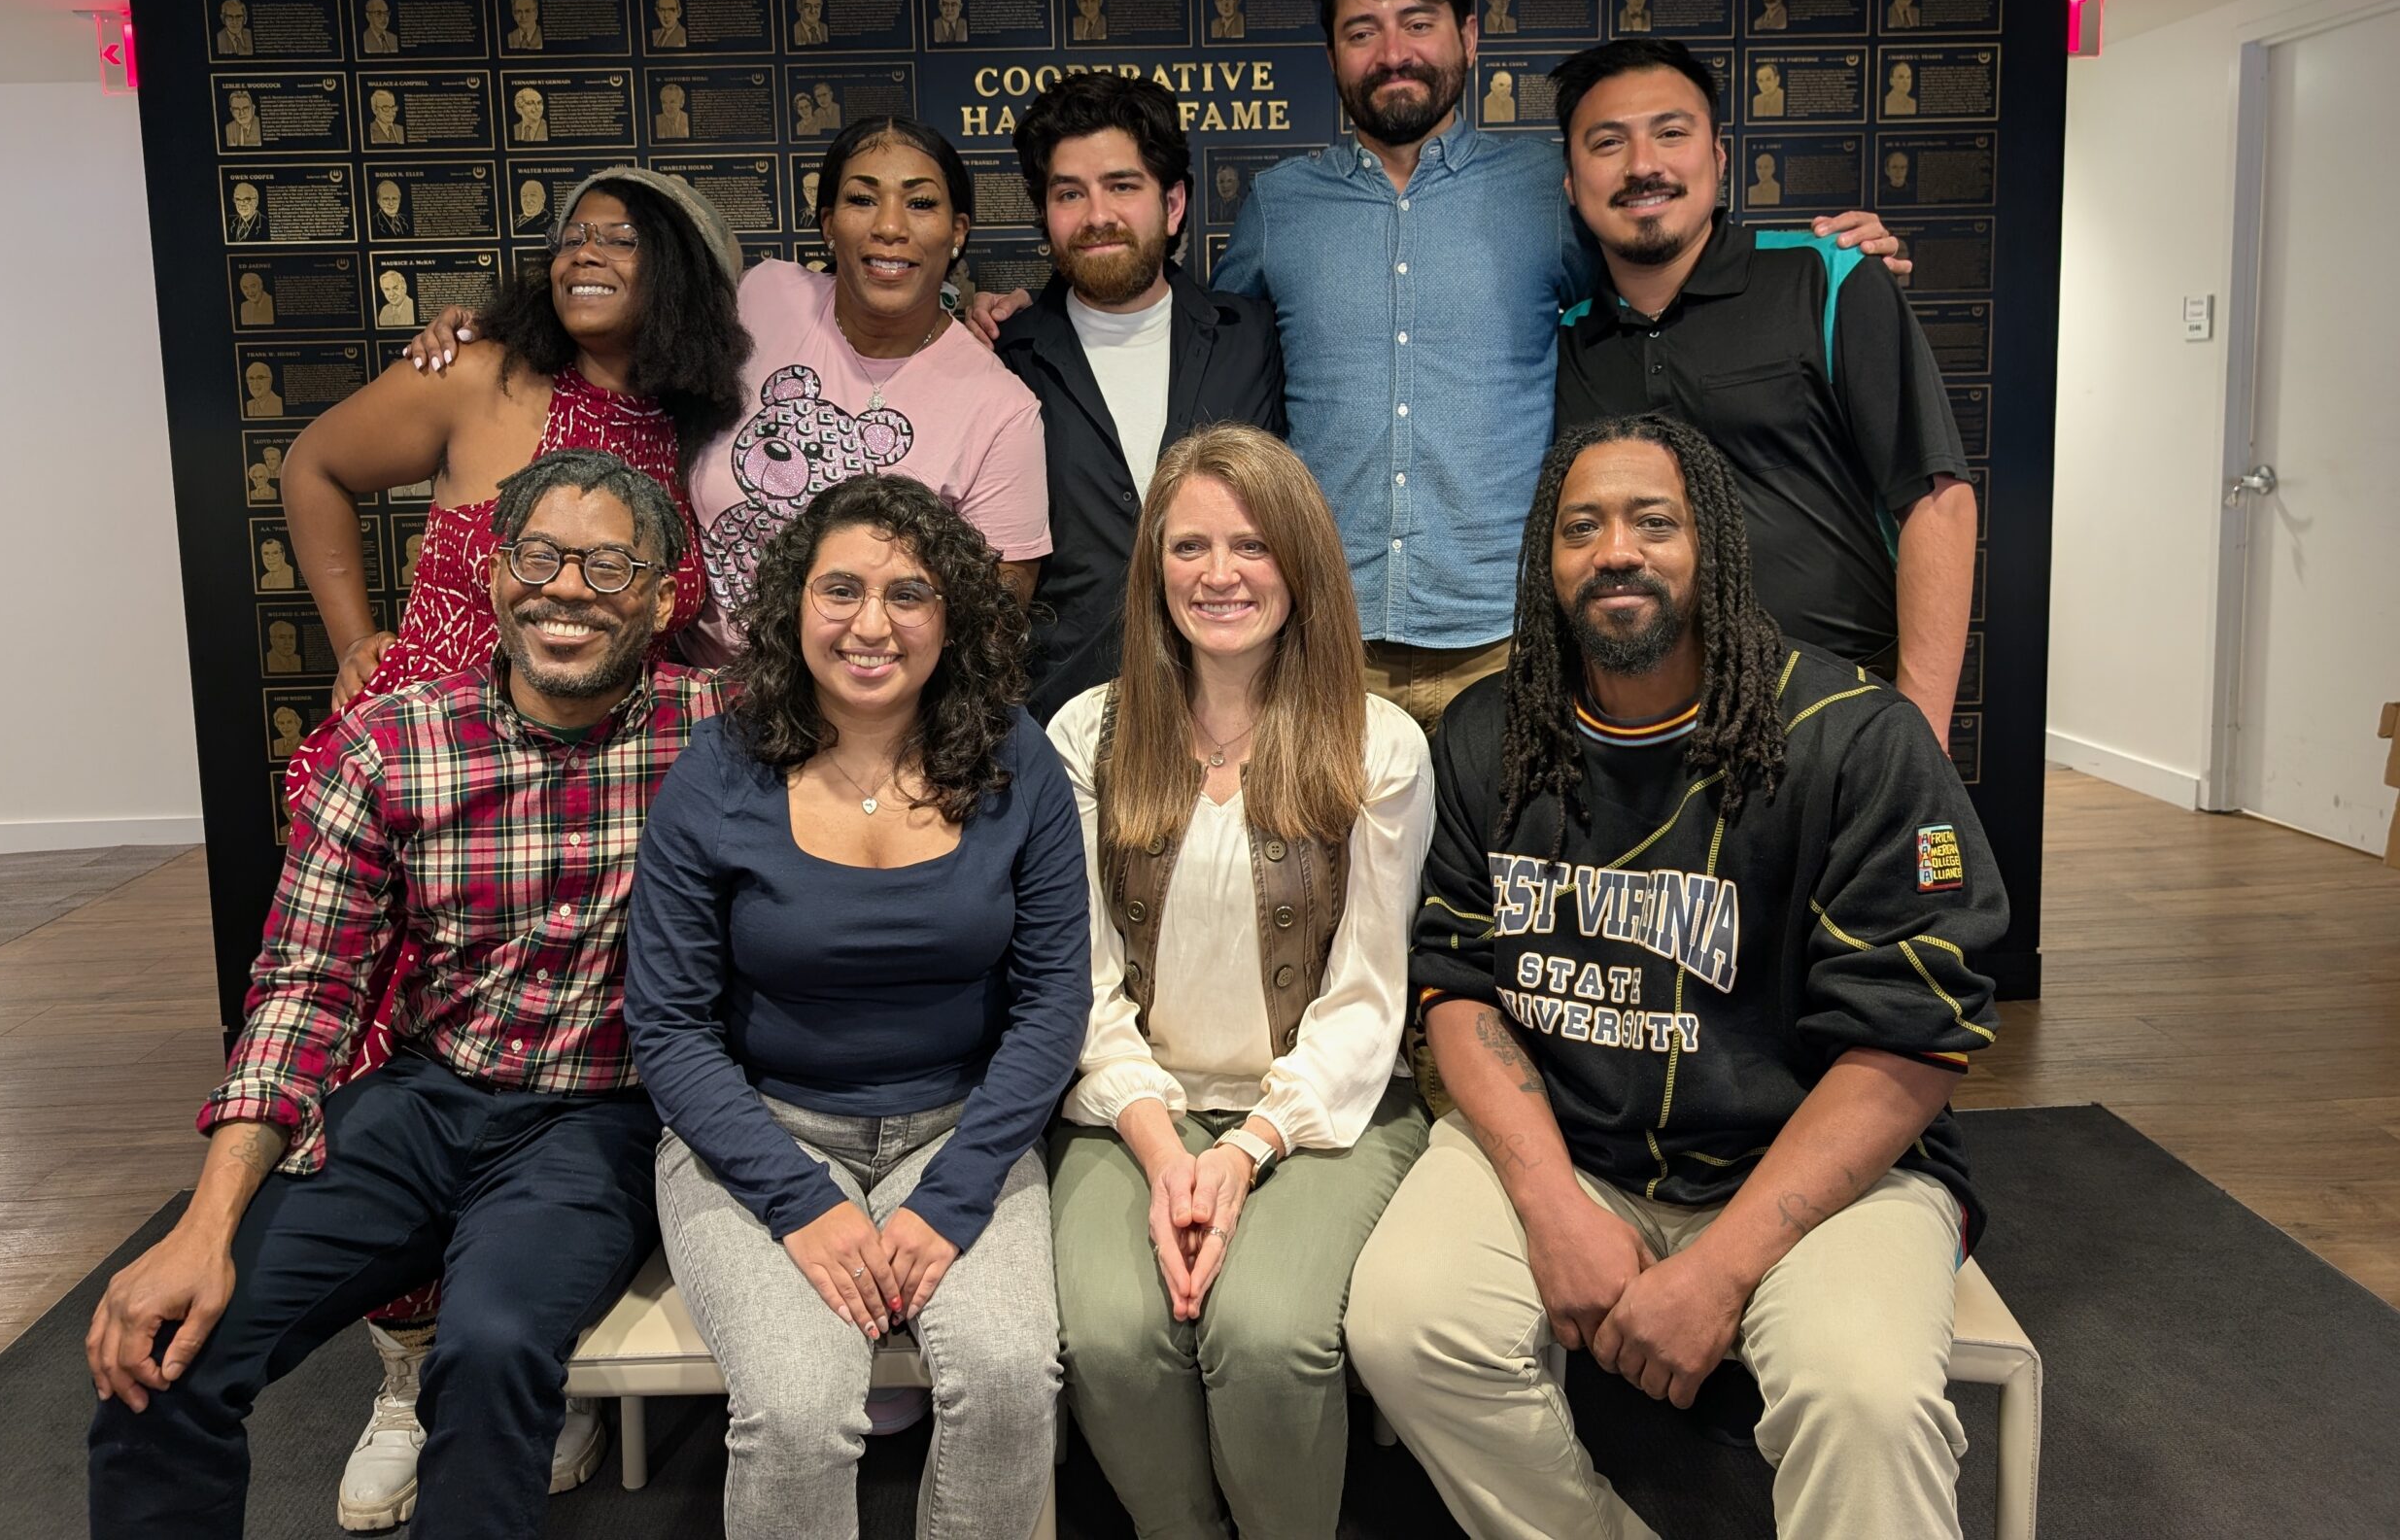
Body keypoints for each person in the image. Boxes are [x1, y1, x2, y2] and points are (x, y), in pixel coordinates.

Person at [970, 0, 1902, 733]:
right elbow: (1195, 334)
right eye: (1362, 32)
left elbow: (1656, 261)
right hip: (1321, 639)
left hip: (1507, 636)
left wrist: (1812, 244)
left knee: (1494, 890)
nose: (1393, 52)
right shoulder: (1279, 205)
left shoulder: (1550, 191)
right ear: (1331, 55)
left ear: (1468, 36)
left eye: (1418, 23)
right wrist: (1029, 314)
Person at [1346, 413, 2004, 1540]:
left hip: (1812, 1173)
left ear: (1714, 547)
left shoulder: (1855, 738)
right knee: (1405, 1323)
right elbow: (1458, 985)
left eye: (1655, 521)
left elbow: (1911, 1038)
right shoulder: (1489, 733)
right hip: (1579, 1149)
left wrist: (1722, 1267)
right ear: (1544, 561)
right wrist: (1551, 1204)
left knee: (1864, 1396)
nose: (1615, 550)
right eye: (1580, 526)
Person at [86, 451, 725, 1540]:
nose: (567, 587)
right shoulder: (393, 744)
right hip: (423, 1099)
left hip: (598, 1121)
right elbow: (305, 988)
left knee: (489, 1351)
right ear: (491, 576)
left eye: (609, 564)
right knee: (168, 1343)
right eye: (538, 555)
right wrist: (202, 1223)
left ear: (663, 596)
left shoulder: (724, 734)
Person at [278, 169, 746, 1525]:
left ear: (680, 272)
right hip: (423, 783)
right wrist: (354, 636)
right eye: (572, 237)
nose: (587, 254)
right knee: (370, 1081)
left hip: (598, 795)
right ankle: (400, 1383)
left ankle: (524, 1375)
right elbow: (313, 463)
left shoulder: (695, 424)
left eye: (624, 239)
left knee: (556, 1097)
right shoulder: (474, 370)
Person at [627, 473, 1087, 1539]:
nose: (871, 622)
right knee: (795, 1411)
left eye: (909, 593)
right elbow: (667, 1024)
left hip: (963, 1130)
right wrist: (799, 1200)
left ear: (951, 616)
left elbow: (1053, 998)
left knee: (1015, 1377)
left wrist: (958, 1191)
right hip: (758, 1134)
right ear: (794, 605)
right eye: (841, 588)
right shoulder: (718, 770)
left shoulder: (1018, 758)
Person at [1046, 424, 1433, 1540]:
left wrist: (1242, 1147)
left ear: (1301, 561)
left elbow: (1369, 998)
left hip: (1321, 1111)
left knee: (1264, 1332)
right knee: (1115, 1333)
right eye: (1191, 546)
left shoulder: (1378, 741)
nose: (1219, 574)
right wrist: (1168, 1150)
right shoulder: (1089, 731)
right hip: (1129, 1107)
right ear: (1152, 565)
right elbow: (1080, 981)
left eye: (1253, 544)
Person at [406, 119, 1053, 651]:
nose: (890, 225)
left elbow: (988, 626)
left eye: (921, 202)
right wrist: (490, 333)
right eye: (861, 198)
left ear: (958, 231)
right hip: (695, 710)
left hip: (871, 724)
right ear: (828, 223)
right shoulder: (765, 297)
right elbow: (629, 324)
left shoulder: (1001, 409)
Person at [1547, 39, 1977, 746]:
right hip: (1646, 735)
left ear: (1718, 159)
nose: (1643, 165)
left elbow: (1937, 500)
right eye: (1607, 143)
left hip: (1833, 714)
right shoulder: (1564, 338)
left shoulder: (1829, 277)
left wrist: (1916, 738)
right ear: (1570, 182)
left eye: (1671, 133)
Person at [989, 72, 1286, 721]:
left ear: (1173, 204)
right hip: (1065, 722)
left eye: (1122, 186)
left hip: (1240, 715)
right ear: (1045, 213)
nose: (1098, 216)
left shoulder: (1256, 338)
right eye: (1070, 193)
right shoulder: (1001, 358)